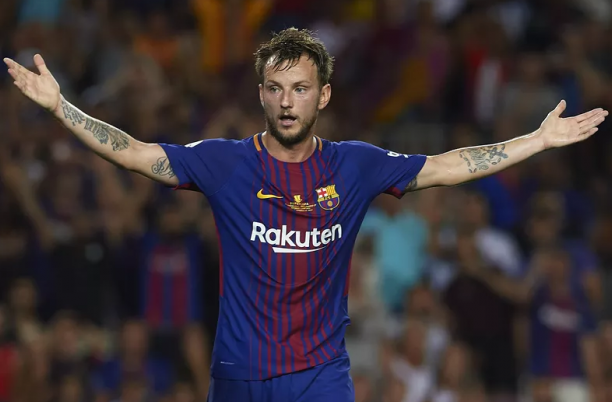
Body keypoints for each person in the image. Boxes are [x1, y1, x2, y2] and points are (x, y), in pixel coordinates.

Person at [3, 28, 608, 402]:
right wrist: (62, 108)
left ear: (323, 95)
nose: (287, 102)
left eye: (300, 88)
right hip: (237, 376)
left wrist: (536, 141)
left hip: (320, 376)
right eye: (275, 88)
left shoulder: (356, 166)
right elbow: (136, 154)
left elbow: (449, 165)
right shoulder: (225, 163)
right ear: (261, 94)